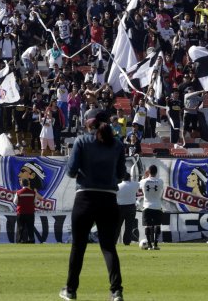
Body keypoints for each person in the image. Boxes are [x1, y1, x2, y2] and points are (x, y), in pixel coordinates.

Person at [60, 114, 125, 301]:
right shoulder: (117, 144)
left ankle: (71, 290)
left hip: (85, 198)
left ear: (89, 127)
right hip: (109, 199)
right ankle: (116, 291)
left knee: (78, 247)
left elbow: (71, 171)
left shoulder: (81, 141)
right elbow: (121, 174)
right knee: (109, 247)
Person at [139, 165, 164, 251]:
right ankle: (155, 244)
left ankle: (149, 245)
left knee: (148, 226)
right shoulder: (160, 181)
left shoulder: (143, 181)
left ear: (149, 172)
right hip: (157, 206)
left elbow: (139, 185)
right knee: (157, 225)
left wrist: (144, 177)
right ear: (156, 172)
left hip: (147, 206)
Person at [116, 173, 140, 246]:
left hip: (120, 207)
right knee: (129, 227)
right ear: (129, 178)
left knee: (117, 226)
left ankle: (113, 241)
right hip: (131, 207)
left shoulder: (118, 186)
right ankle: (126, 242)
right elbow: (138, 183)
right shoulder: (135, 185)